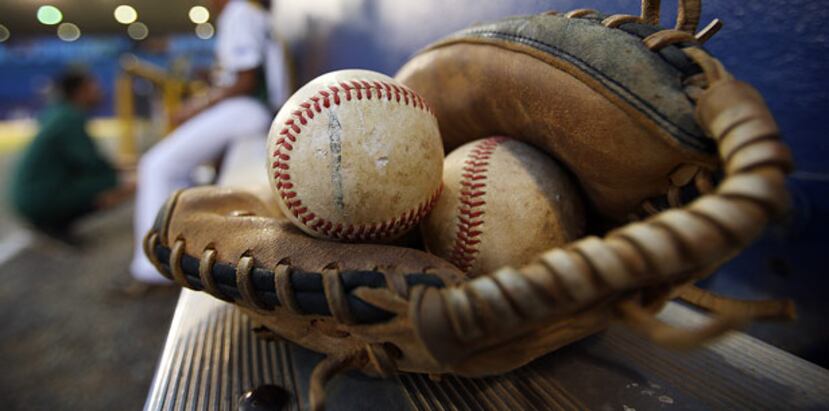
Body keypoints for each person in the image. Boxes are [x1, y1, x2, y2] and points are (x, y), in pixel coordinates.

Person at [129, 0, 289, 283]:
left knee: (157, 165)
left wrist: (196, 106)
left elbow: (246, 81)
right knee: (174, 170)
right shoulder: (248, 11)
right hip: (251, 109)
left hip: (248, 109)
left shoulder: (239, 10)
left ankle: (154, 270)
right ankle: (178, 254)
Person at [9, 69, 135, 239]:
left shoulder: (58, 112)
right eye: (94, 87)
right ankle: (55, 224)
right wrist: (129, 171)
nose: (99, 92)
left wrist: (128, 164)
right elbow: (93, 165)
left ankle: (56, 224)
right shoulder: (70, 118)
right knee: (123, 183)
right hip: (40, 198)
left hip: (28, 196)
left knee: (115, 179)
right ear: (80, 91)